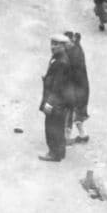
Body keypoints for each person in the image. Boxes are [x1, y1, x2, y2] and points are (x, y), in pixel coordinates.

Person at [38, 32, 72, 161]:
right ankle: (60, 152)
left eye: (56, 44)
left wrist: (49, 102)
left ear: (63, 46)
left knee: (52, 126)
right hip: (59, 100)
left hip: (57, 100)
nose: (53, 47)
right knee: (57, 125)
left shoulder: (62, 61)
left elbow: (58, 85)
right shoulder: (58, 57)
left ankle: (54, 153)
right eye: (52, 43)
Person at [63, 31, 90, 145]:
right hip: (82, 86)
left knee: (68, 111)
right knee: (78, 110)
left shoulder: (72, 53)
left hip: (74, 87)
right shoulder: (78, 49)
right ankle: (83, 135)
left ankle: (67, 137)